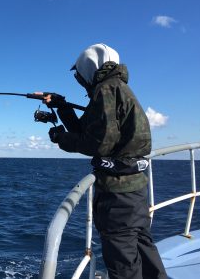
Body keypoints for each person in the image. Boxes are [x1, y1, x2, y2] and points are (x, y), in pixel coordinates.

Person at [44, 43, 167, 279]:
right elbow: (90, 131)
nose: (80, 80)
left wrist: (61, 138)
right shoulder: (116, 88)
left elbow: (97, 144)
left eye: (80, 75)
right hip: (135, 188)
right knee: (143, 247)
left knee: (123, 265)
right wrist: (62, 107)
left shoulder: (106, 90)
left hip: (118, 195)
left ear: (89, 69)